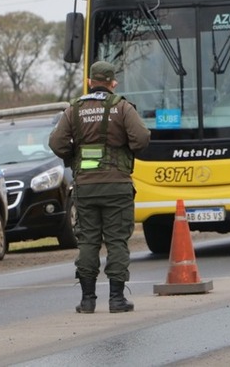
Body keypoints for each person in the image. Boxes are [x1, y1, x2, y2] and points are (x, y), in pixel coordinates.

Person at [49, 61, 151, 313]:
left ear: (90, 82)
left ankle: (87, 300)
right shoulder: (123, 107)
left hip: (85, 185)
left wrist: (75, 156)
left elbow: (56, 143)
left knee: (87, 240)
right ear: (112, 82)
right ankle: (116, 299)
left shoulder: (74, 110)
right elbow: (142, 138)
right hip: (117, 185)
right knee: (117, 241)